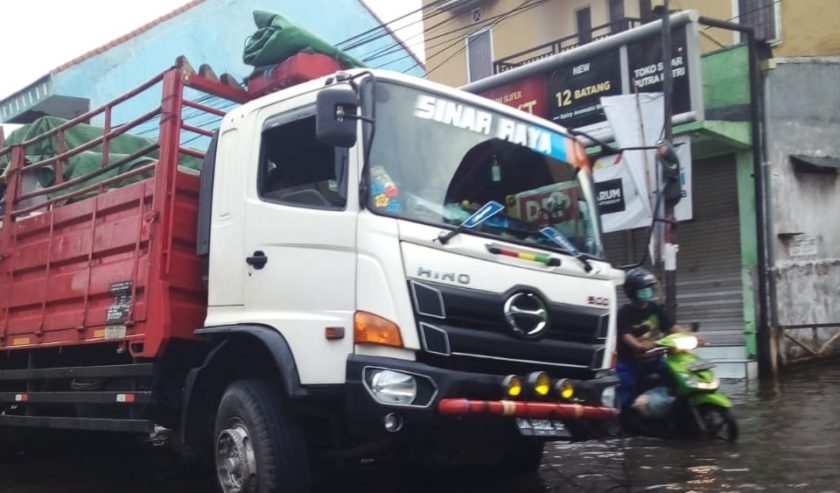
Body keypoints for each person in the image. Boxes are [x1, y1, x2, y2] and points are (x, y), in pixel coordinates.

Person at [615, 267, 680, 411]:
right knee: (626, 393)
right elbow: (626, 336)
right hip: (630, 364)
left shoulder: (654, 308)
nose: (648, 291)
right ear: (632, 291)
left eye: (649, 287)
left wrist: (689, 336)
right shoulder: (624, 312)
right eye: (644, 288)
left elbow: (671, 326)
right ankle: (621, 421)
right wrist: (639, 345)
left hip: (655, 360)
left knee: (677, 378)